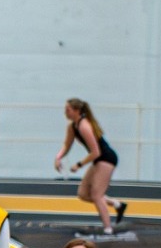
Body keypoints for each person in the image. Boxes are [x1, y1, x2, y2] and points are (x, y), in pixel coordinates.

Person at [53, 99, 127, 233]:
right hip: (98, 159)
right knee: (83, 194)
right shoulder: (72, 127)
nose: (65, 112)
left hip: (106, 158)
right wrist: (58, 158)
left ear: (76, 111)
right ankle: (117, 204)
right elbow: (67, 145)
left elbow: (96, 151)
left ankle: (108, 229)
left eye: (68, 109)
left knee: (97, 195)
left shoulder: (84, 126)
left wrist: (79, 165)